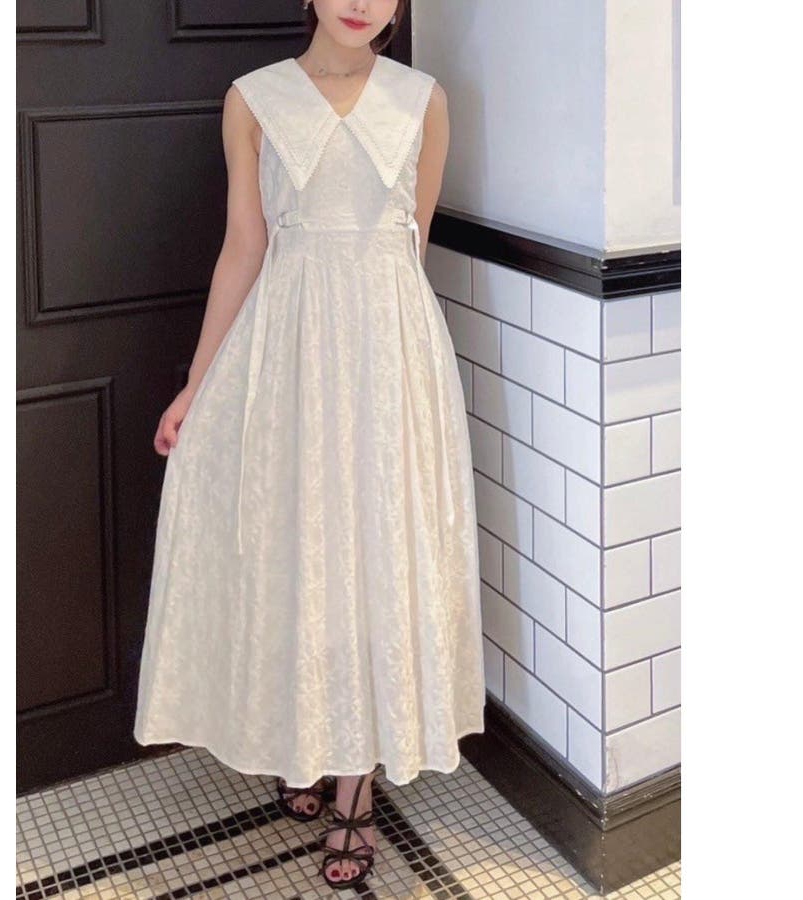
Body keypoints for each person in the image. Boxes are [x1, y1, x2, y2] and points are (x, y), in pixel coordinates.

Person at [133, 0, 486, 889]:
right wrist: (197, 383)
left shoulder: (424, 98)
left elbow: (412, 243)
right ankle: (305, 737)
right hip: (286, 348)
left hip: (388, 356)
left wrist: (394, 362)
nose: (361, 2)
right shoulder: (253, 98)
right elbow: (243, 245)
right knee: (295, 550)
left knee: (375, 552)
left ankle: (355, 791)